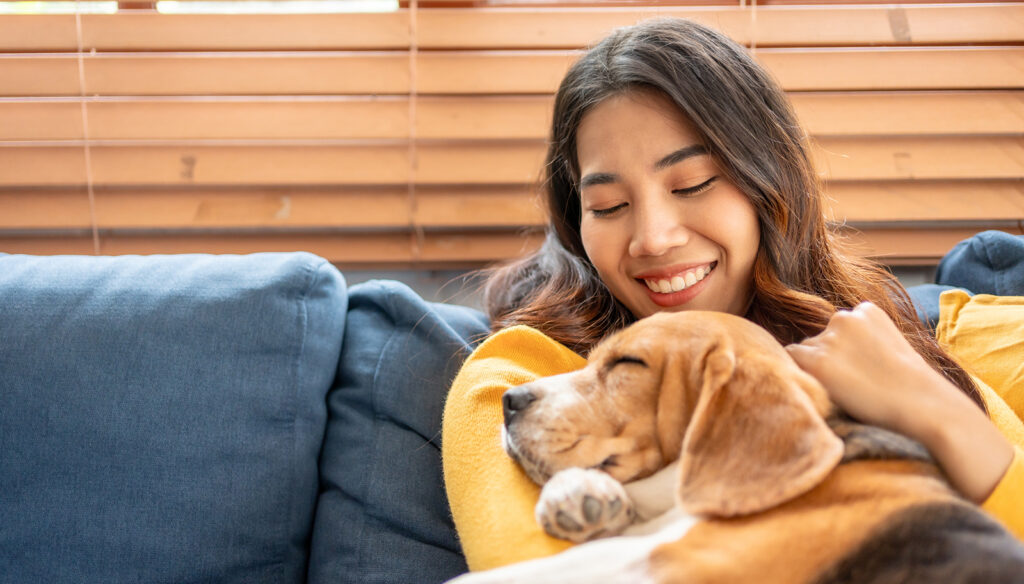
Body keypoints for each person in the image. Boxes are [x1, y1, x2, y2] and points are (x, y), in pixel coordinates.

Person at [441, 17, 1024, 572]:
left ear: (768, 180)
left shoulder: (889, 343)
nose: (653, 239)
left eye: (692, 184)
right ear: (577, 220)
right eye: (608, 206)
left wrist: (930, 407)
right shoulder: (519, 378)